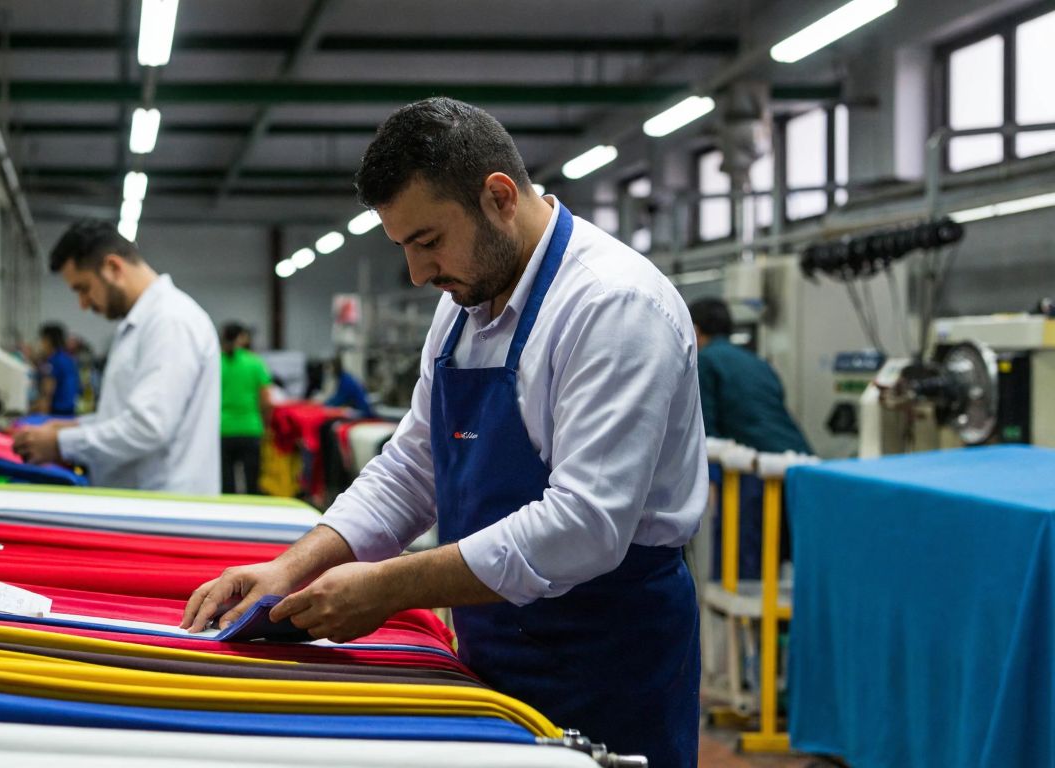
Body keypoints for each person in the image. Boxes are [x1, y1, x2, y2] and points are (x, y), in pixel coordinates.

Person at [182, 97, 706, 767]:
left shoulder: (612, 305)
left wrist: (389, 586)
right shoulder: (465, 308)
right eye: (404, 248)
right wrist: (290, 568)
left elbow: (586, 525)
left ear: (498, 197)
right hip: (490, 646)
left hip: (608, 654)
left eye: (427, 241)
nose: (417, 273)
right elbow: (413, 467)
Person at [12, 220, 221, 494]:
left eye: (83, 288)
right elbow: (128, 415)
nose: (83, 304)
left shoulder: (170, 321)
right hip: (142, 503)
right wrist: (73, 426)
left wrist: (62, 443)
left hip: (164, 511)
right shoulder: (141, 325)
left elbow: (148, 426)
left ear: (113, 267)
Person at [689, 297, 811, 454]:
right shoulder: (758, 362)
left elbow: (706, 432)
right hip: (799, 455)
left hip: (763, 466)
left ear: (695, 330)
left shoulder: (705, 361)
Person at [220, 321, 272, 495]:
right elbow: (266, 400)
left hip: (222, 429)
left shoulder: (215, 362)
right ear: (242, 337)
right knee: (252, 483)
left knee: (226, 485)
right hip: (250, 428)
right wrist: (266, 424)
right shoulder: (254, 362)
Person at [34, 323, 80, 417]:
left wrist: (40, 418)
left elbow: (47, 392)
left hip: (57, 412)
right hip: (71, 410)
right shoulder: (68, 359)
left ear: (48, 340)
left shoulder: (53, 361)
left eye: (42, 340)